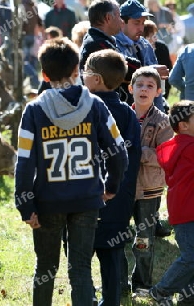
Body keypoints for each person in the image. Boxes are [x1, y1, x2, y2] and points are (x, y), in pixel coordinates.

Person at [15, 37, 128, 306]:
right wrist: (111, 185)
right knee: (80, 269)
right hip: (87, 199)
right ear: (77, 70)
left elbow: (24, 162)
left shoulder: (32, 110)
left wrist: (25, 205)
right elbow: (119, 151)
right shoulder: (96, 105)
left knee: (45, 269)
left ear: (43, 74)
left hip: (47, 201)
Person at [83, 49, 142, 306]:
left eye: (85, 73)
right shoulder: (128, 114)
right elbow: (133, 157)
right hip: (118, 198)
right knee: (113, 257)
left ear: (95, 79)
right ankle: (111, 301)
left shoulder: (81, 110)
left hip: (82, 200)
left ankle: (86, 299)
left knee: (80, 259)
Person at [127, 67, 174, 294]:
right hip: (123, 186)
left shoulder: (163, 122)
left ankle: (142, 283)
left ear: (158, 91)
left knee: (144, 237)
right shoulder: (122, 115)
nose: (144, 89)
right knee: (115, 234)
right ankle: (118, 282)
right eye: (140, 85)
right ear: (130, 88)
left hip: (149, 189)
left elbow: (165, 156)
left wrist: (139, 151)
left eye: (150, 86)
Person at [150, 100, 194, 306]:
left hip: (182, 212)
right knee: (191, 257)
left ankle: (186, 300)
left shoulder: (182, 146)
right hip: (188, 212)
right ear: (183, 126)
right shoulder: (189, 147)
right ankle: (161, 290)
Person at [115, 0, 169, 111]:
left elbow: (157, 89)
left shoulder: (145, 45)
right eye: (136, 22)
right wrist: (151, 71)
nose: (141, 28)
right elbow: (116, 75)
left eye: (143, 23)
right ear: (122, 22)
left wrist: (160, 115)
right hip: (124, 113)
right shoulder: (113, 45)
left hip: (149, 116)